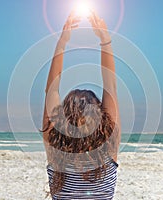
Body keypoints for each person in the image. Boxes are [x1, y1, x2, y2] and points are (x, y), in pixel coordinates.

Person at [41, 11, 121, 200]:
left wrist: (62, 42)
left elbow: (51, 90)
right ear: (100, 119)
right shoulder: (109, 149)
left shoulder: (55, 150)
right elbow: (111, 87)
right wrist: (105, 40)